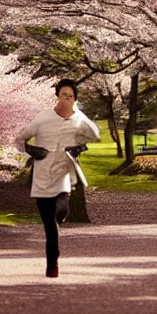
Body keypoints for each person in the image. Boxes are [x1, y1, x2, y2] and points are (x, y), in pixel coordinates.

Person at [16, 78, 100, 278]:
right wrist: (31, 150)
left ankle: (53, 258)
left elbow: (95, 135)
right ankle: (52, 264)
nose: (66, 99)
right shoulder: (43, 118)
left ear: (74, 99)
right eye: (63, 95)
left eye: (70, 96)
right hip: (42, 176)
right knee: (50, 226)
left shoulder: (78, 119)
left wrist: (79, 142)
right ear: (57, 96)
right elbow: (20, 139)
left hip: (63, 175)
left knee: (61, 212)